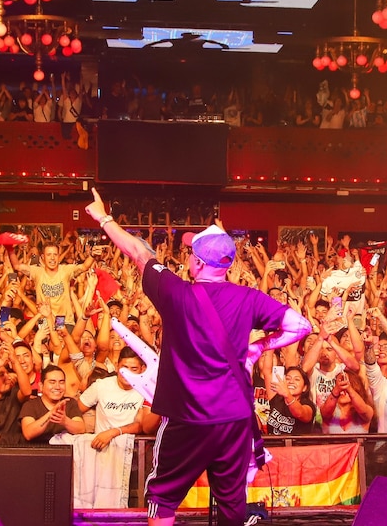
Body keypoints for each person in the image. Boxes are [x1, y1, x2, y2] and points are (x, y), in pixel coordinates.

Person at [84, 188, 311, 526]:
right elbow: (300, 325)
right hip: (233, 419)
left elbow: (136, 252)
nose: (188, 256)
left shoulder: (175, 293)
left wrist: (103, 217)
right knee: (232, 504)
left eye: (191, 252)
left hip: (187, 418)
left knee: (162, 499)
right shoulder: (249, 298)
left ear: (198, 262)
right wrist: (257, 347)